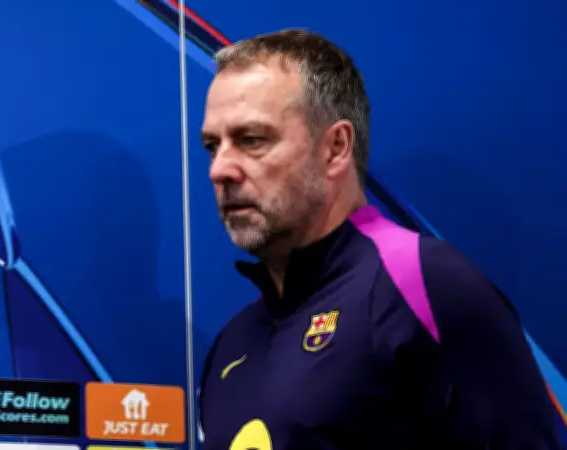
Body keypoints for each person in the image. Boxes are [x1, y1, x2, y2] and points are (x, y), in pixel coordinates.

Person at [196, 28, 562, 449]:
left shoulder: (424, 286)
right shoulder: (231, 346)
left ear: (336, 147)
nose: (219, 169)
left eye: (251, 140)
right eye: (212, 145)